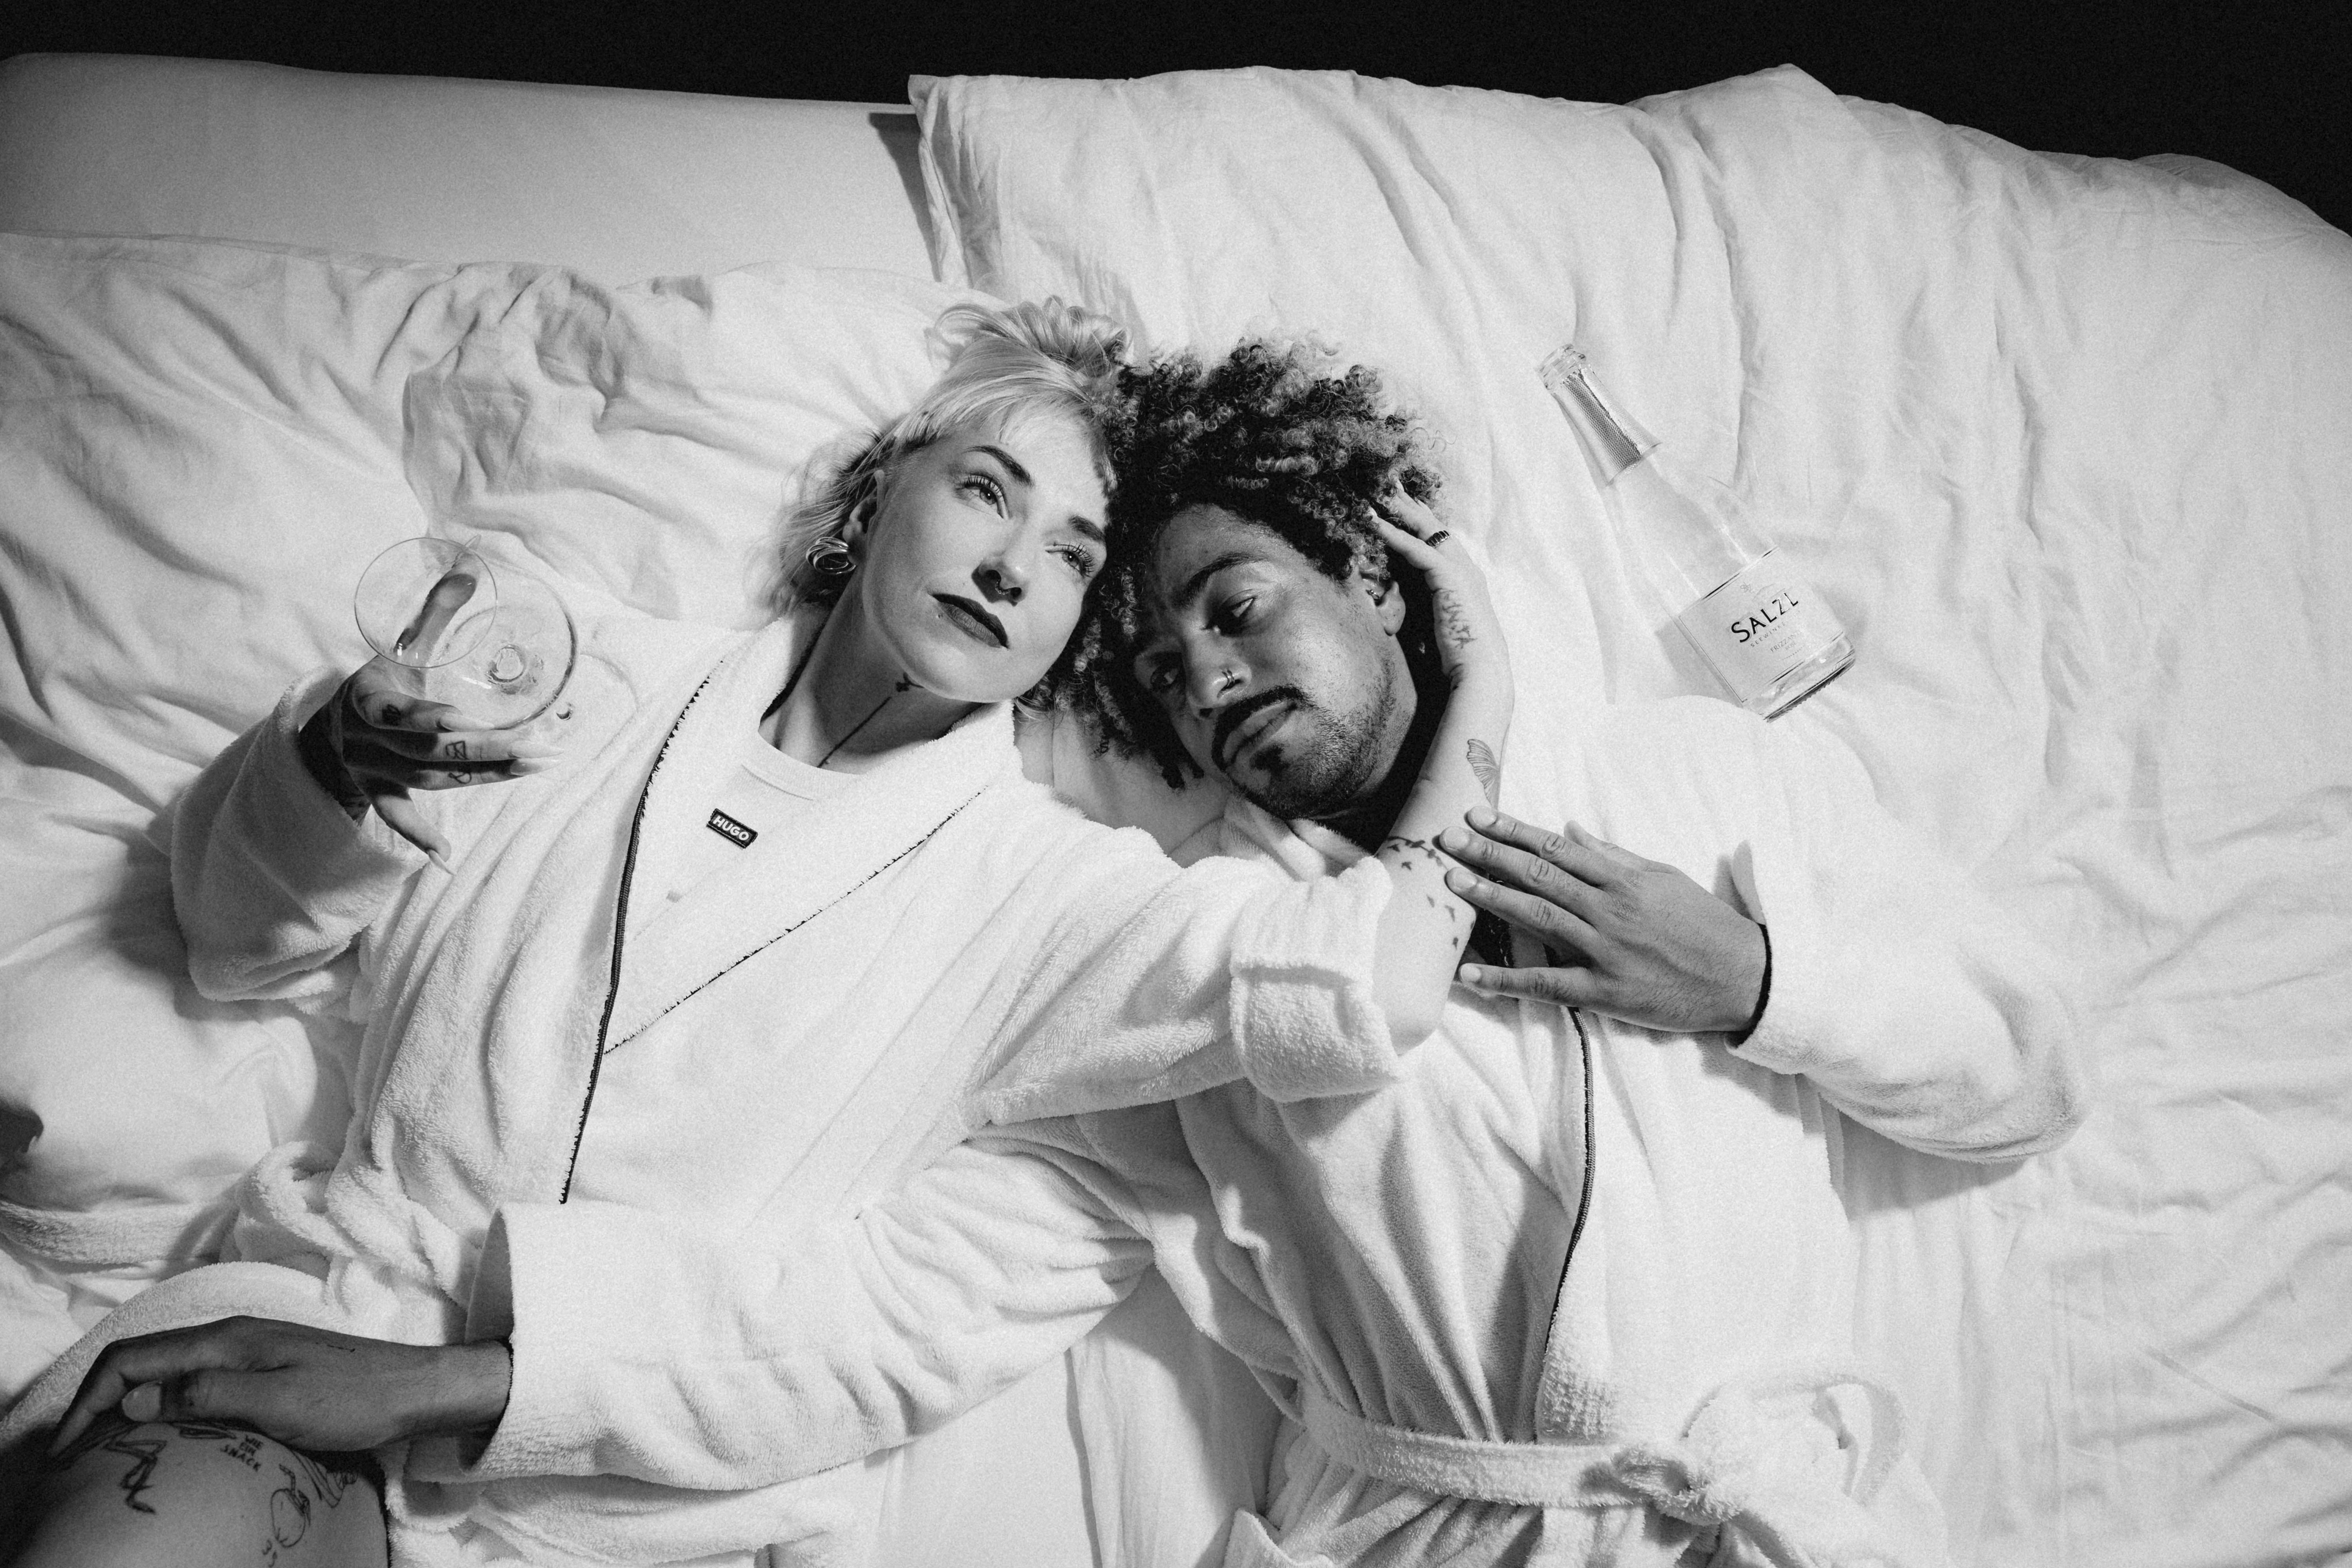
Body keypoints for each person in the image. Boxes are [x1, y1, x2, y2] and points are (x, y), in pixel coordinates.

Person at [227, 341, 2071, 1566]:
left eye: (1240, 603)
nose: (1209, 676)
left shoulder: (1707, 775)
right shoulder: (1193, 962)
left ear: (1376, 564)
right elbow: (933, 1293)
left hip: (1764, 1521)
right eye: (1161, 663)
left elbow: (2023, 1079)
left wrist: (1755, 977)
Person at [0, 308, 1515, 1568]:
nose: (1009, 566)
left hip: (616, 1493)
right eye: (989, 491)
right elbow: (229, 938)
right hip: (308, 1336)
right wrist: (327, 768)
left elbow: (1372, 977)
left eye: (1068, 555)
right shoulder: (574, 672)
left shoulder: (1051, 903)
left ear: (1079, 634)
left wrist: (1478, 683)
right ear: (877, 494)